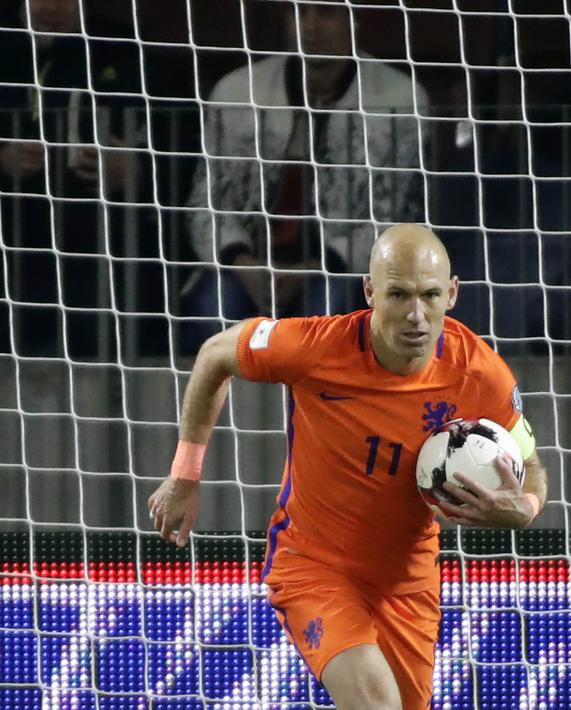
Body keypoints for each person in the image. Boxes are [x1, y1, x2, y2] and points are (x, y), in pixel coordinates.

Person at [148, 224, 548, 709]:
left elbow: (530, 464)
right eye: (398, 294)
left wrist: (524, 507)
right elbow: (215, 354)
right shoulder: (315, 347)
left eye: (430, 295)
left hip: (408, 579)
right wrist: (185, 475)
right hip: (315, 566)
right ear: (369, 291)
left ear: (453, 293)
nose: (416, 315)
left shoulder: (480, 372)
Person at [181, 0, 431, 352]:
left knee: (327, 311)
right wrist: (242, 263)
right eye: (300, 13)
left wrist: (318, 266)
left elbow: (397, 220)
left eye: (325, 13)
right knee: (213, 311)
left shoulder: (401, 99)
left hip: (339, 269)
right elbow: (204, 203)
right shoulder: (237, 92)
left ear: (354, 19)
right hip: (246, 266)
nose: (311, 26)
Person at [0, 0, 147, 358]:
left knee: (95, 335)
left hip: (93, 231)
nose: (52, 7)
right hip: (11, 227)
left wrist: (130, 167)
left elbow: (156, 131)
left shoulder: (119, 45)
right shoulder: (7, 45)